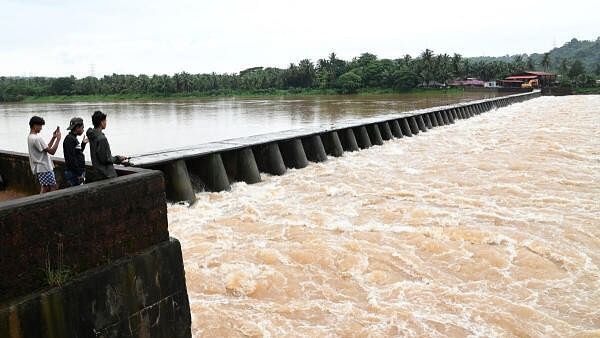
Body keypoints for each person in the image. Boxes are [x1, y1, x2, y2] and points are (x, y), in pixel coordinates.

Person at [86, 111, 127, 179]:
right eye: (105, 121)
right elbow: (105, 159)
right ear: (101, 122)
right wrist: (118, 158)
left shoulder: (92, 135)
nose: (106, 123)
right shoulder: (101, 138)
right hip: (106, 175)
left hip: (98, 173)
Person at [27, 116, 61, 193]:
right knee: (53, 187)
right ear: (35, 126)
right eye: (40, 126)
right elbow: (52, 151)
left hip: (40, 168)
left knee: (45, 187)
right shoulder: (37, 138)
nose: (41, 128)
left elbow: (46, 148)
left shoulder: (30, 137)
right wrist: (58, 139)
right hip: (44, 168)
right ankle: (50, 203)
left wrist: (53, 138)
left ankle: (40, 202)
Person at [63, 117, 88, 186]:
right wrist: (79, 173)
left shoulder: (73, 138)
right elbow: (71, 158)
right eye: (82, 128)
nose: (83, 130)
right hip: (74, 173)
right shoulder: (69, 139)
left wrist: (83, 144)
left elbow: (77, 153)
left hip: (76, 172)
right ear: (77, 128)